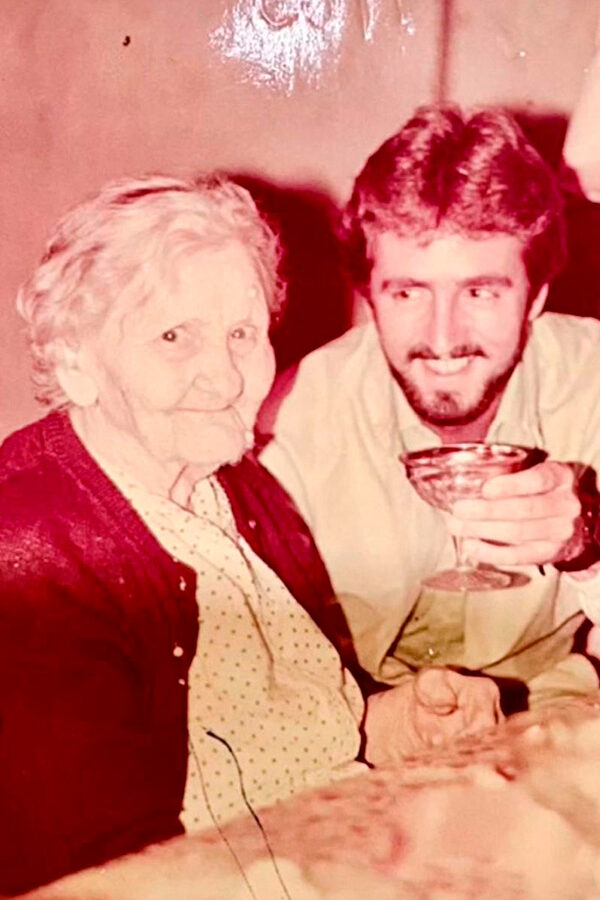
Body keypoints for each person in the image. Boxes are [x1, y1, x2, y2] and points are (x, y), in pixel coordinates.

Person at [1, 173, 493, 896]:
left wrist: (396, 724)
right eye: (174, 337)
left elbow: (282, 739)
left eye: (241, 334)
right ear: (76, 362)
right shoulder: (30, 547)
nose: (226, 378)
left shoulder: (238, 492)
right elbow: (107, 871)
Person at [260, 104, 600, 731]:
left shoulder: (593, 383)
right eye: (408, 292)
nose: (443, 339)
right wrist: (373, 726)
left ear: (536, 298)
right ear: (370, 296)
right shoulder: (289, 420)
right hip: (355, 728)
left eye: (480, 292)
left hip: (552, 716)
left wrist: (588, 545)